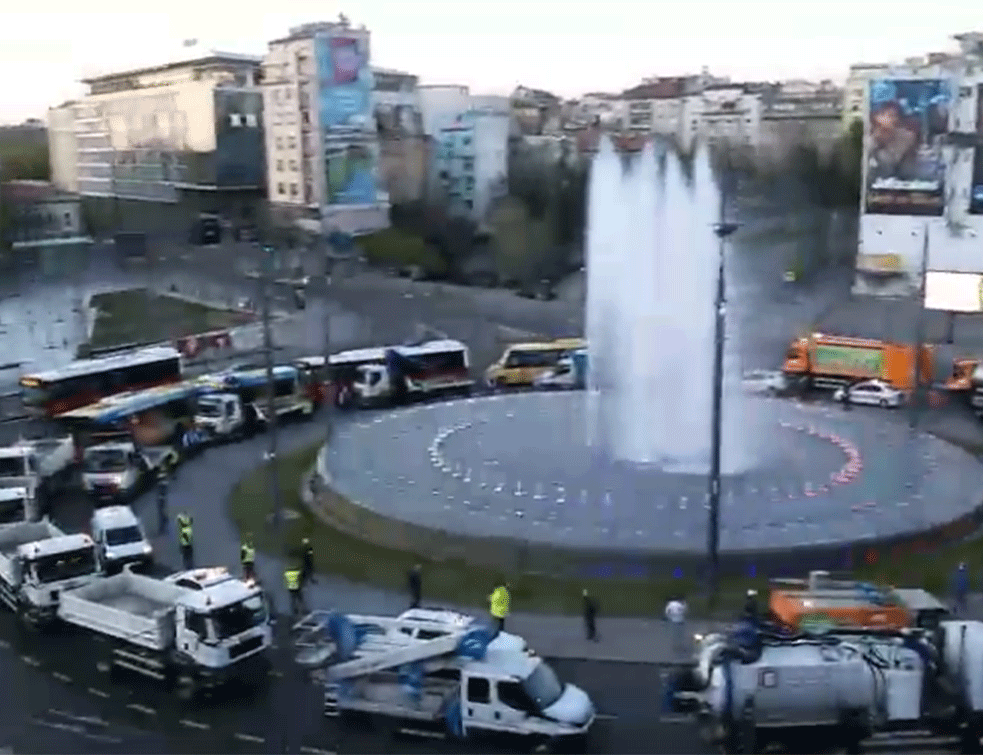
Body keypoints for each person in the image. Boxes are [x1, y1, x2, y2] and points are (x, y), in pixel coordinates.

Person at [156, 465, 169, 535]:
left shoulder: (161, 483)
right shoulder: (164, 483)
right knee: (163, 515)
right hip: (162, 500)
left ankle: (163, 529)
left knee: (162, 515)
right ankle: (164, 529)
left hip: (161, 500)